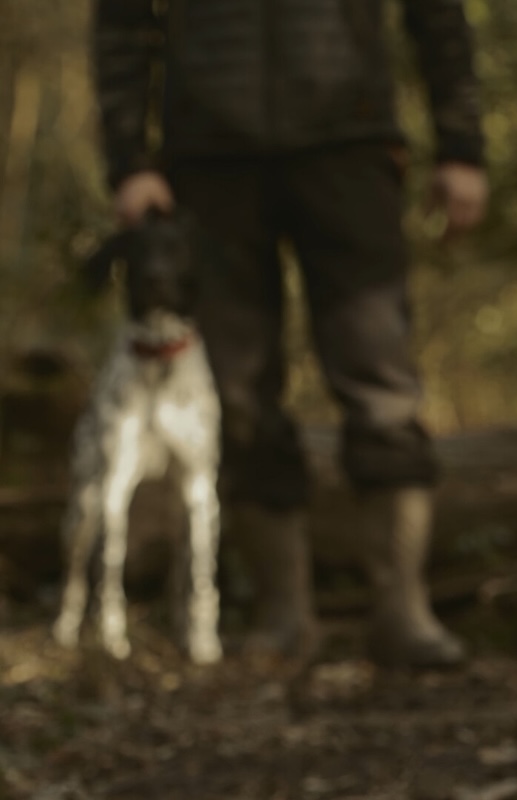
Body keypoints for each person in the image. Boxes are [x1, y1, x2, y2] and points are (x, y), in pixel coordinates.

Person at [92, 0, 488, 667]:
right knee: (236, 391)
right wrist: (128, 159)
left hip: (350, 144)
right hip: (208, 160)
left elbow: (438, 13)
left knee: (381, 377)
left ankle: (402, 610)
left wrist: (462, 144)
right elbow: (123, 20)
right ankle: (283, 616)